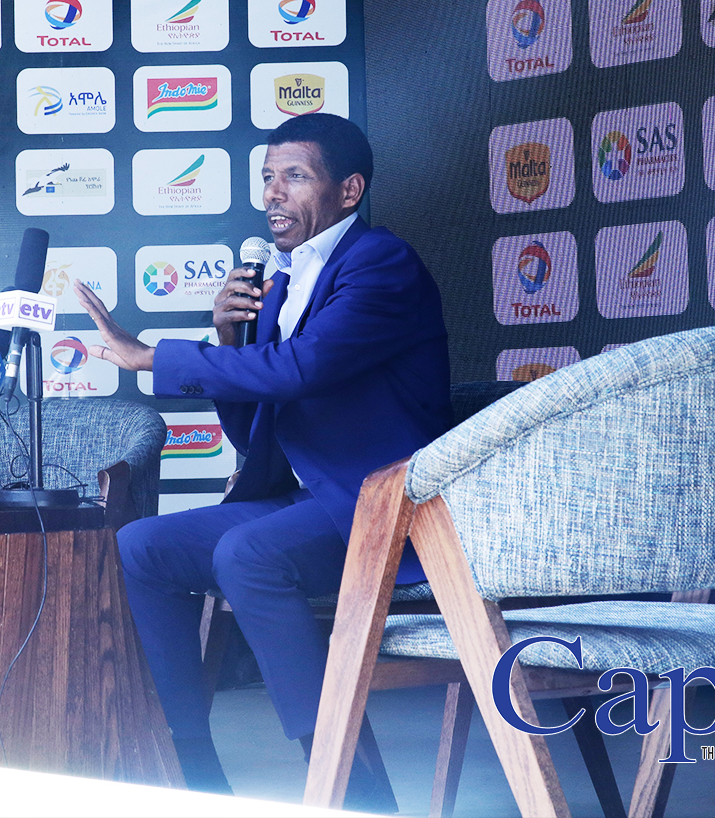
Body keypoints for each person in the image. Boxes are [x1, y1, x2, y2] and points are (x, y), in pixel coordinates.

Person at [74, 113, 451, 809]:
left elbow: (301, 370)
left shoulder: (380, 263)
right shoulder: (277, 281)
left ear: (348, 191)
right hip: (311, 500)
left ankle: (349, 786)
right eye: (268, 178)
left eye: (295, 177)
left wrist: (153, 356)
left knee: (249, 554)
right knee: (142, 546)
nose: (273, 194)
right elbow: (257, 431)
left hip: (386, 507)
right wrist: (228, 340)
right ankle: (191, 774)